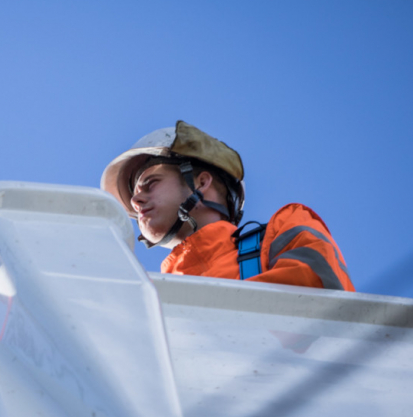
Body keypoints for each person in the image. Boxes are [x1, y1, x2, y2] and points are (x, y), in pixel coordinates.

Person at [101, 121, 355, 291]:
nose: (135, 202)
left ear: (200, 183)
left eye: (150, 183)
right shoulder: (149, 294)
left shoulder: (285, 228)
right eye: (134, 195)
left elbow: (318, 304)